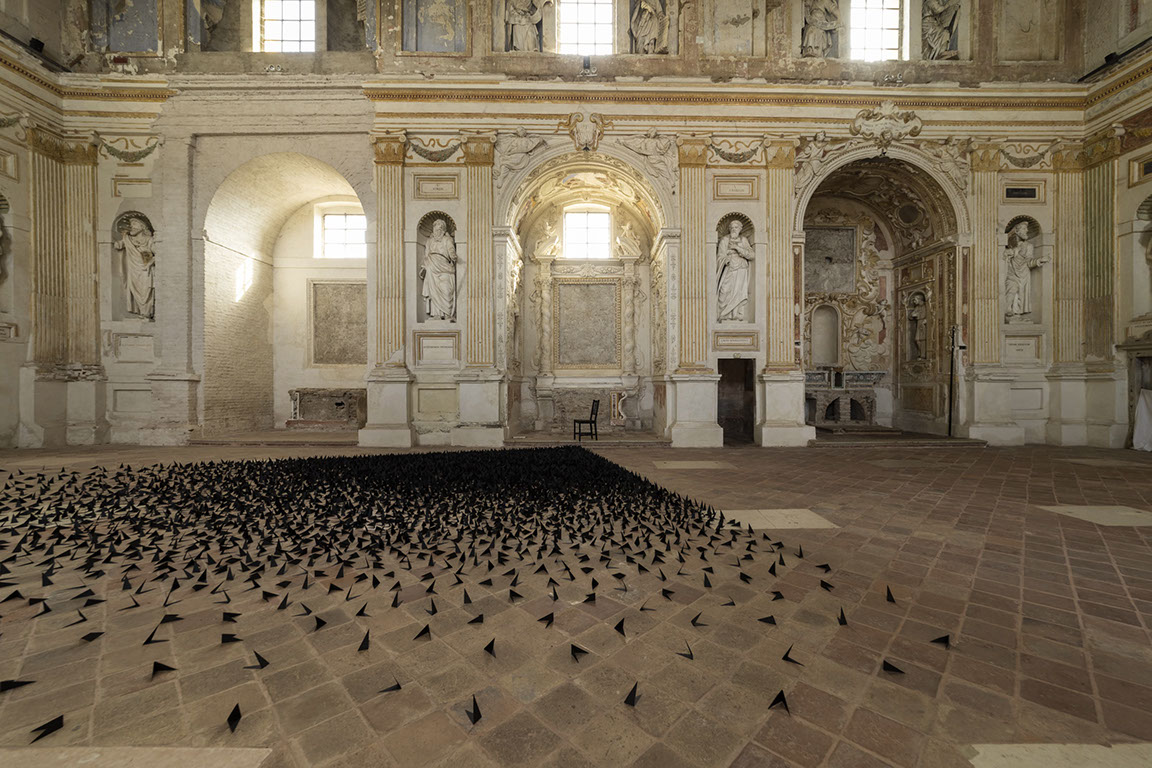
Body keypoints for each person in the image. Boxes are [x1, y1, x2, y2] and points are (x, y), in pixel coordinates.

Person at [1003, 221, 1047, 318]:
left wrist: (1039, 260)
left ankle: (1017, 315)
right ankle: (1008, 310)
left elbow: (1029, 262)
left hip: (1023, 275)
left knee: (1020, 297)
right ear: (1017, 231)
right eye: (1024, 228)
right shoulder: (1010, 244)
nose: (1027, 230)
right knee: (1011, 290)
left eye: (1026, 228)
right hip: (1011, 273)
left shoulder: (1028, 246)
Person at [115, 215, 155, 319]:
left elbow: (158, 254)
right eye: (131, 225)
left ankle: (147, 313)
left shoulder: (149, 239)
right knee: (134, 290)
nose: (132, 227)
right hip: (133, 270)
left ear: (142, 227)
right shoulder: (128, 239)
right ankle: (141, 312)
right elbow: (118, 245)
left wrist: (150, 263)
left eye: (135, 224)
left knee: (145, 291)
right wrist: (122, 236)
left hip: (145, 269)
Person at [716, 220, 754, 322]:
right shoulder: (725, 240)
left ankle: (736, 315)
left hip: (741, 268)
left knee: (739, 292)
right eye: (732, 227)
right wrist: (725, 260)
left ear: (740, 229)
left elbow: (751, 255)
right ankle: (725, 315)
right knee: (725, 290)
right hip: (729, 268)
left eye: (736, 227)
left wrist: (737, 248)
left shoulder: (743, 240)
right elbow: (720, 256)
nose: (734, 229)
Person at [421, 219, 457, 321]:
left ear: (443, 230)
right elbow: (426, 255)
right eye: (435, 229)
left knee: (446, 290)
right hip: (432, 267)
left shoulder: (447, 240)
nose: (437, 231)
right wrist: (425, 266)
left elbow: (451, 252)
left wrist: (453, 256)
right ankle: (436, 314)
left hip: (445, 268)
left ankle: (447, 314)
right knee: (434, 292)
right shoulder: (429, 241)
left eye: (439, 229)